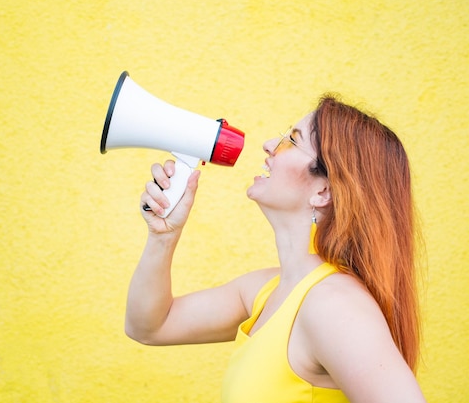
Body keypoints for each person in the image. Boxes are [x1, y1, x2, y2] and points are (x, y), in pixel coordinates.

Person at [125, 95, 427, 403]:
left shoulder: (335, 306)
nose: (269, 144)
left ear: (323, 191)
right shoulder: (265, 291)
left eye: (291, 141)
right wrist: (163, 235)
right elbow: (149, 326)